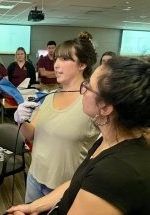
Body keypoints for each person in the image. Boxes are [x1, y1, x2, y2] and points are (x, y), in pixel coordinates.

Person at [7, 56, 150, 215]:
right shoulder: (107, 140)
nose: (83, 91)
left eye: (88, 87)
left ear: (105, 107)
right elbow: (77, 182)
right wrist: (34, 206)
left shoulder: (114, 173)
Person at [13, 33, 100, 203]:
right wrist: (20, 120)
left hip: (63, 188)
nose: (56, 65)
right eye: (57, 59)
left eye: (65, 59)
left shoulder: (92, 101)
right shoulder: (50, 96)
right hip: (34, 177)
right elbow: (30, 134)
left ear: (82, 64)